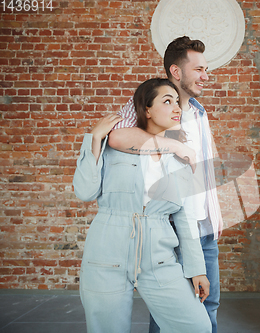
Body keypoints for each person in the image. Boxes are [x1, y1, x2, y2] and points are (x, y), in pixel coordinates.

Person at [73, 78, 212, 333]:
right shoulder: (114, 146)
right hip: (105, 258)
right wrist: (93, 139)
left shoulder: (181, 159)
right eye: (166, 101)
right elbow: (84, 191)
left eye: (177, 102)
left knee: (197, 326)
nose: (176, 107)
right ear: (147, 110)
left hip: (159, 261)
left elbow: (185, 220)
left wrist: (197, 271)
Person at [109, 36, 222, 333]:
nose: (205, 76)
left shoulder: (199, 112)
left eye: (205, 69)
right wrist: (171, 146)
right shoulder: (150, 103)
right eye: (198, 69)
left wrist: (214, 217)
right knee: (166, 314)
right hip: (167, 229)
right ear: (176, 71)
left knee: (209, 306)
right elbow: (117, 137)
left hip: (204, 230)